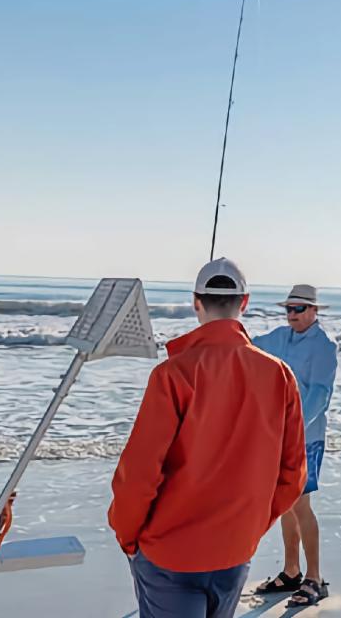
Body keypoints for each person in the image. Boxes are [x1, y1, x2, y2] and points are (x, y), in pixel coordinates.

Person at [109, 258, 306, 618]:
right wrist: (251, 526)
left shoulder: (173, 374)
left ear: (195, 302)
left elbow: (137, 474)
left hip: (169, 551)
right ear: (244, 303)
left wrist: (128, 536)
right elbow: (292, 474)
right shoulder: (280, 375)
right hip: (235, 549)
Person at [252, 284, 339, 608]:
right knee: (286, 502)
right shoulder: (279, 337)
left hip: (307, 437)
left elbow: (320, 394)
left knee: (301, 505)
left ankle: (314, 579)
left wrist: (294, 428)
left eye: (299, 309)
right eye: (289, 309)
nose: (292, 315)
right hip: (278, 435)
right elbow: (245, 344)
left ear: (315, 311)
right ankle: (291, 571)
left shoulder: (324, 346)